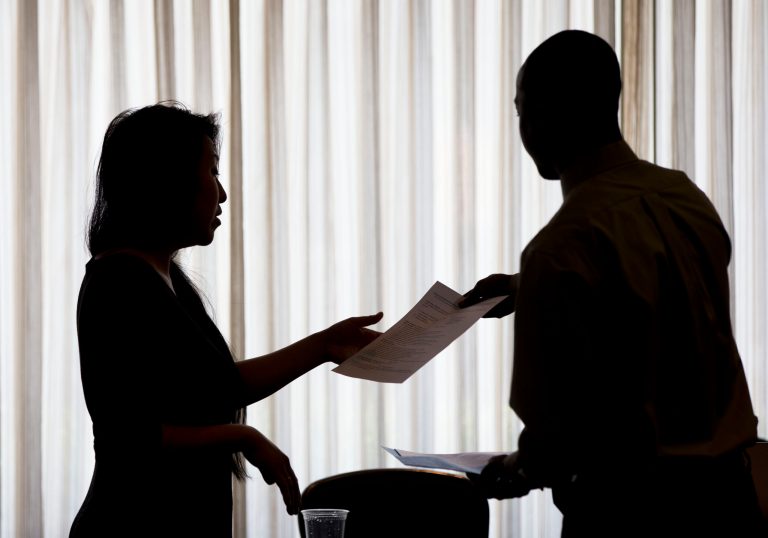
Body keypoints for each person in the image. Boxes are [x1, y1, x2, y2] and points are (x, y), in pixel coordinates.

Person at [460, 30, 765, 537]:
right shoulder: (684, 198)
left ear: (540, 117)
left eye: (520, 111)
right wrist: (522, 285)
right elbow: (657, 285)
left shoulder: (560, 249)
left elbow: (553, 442)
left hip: (630, 514)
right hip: (732, 504)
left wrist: (508, 470)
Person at [69, 102, 383, 537]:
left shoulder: (160, 277)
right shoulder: (117, 282)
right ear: (167, 178)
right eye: (212, 171)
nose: (222, 192)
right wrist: (242, 437)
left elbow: (219, 388)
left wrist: (325, 344)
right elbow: (129, 439)